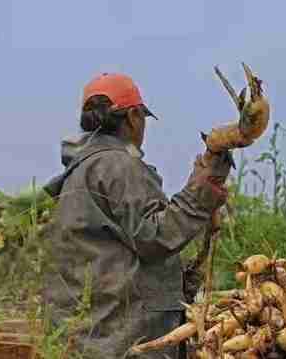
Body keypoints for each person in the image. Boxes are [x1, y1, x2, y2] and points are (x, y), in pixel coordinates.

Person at [42, 73, 232, 358]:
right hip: (124, 339)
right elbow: (155, 236)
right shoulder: (118, 165)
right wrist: (200, 192)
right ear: (133, 117)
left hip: (92, 334)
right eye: (142, 118)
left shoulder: (81, 170)